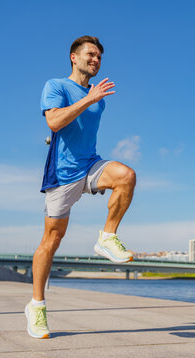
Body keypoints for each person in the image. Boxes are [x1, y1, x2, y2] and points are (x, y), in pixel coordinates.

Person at [25, 35, 136, 339]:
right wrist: (89, 98)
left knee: (126, 175)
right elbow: (54, 122)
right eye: (90, 54)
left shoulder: (99, 98)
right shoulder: (57, 86)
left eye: (99, 56)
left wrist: (93, 97)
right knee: (52, 240)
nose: (95, 60)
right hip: (62, 174)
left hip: (90, 166)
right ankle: (36, 306)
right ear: (74, 57)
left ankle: (107, 237)